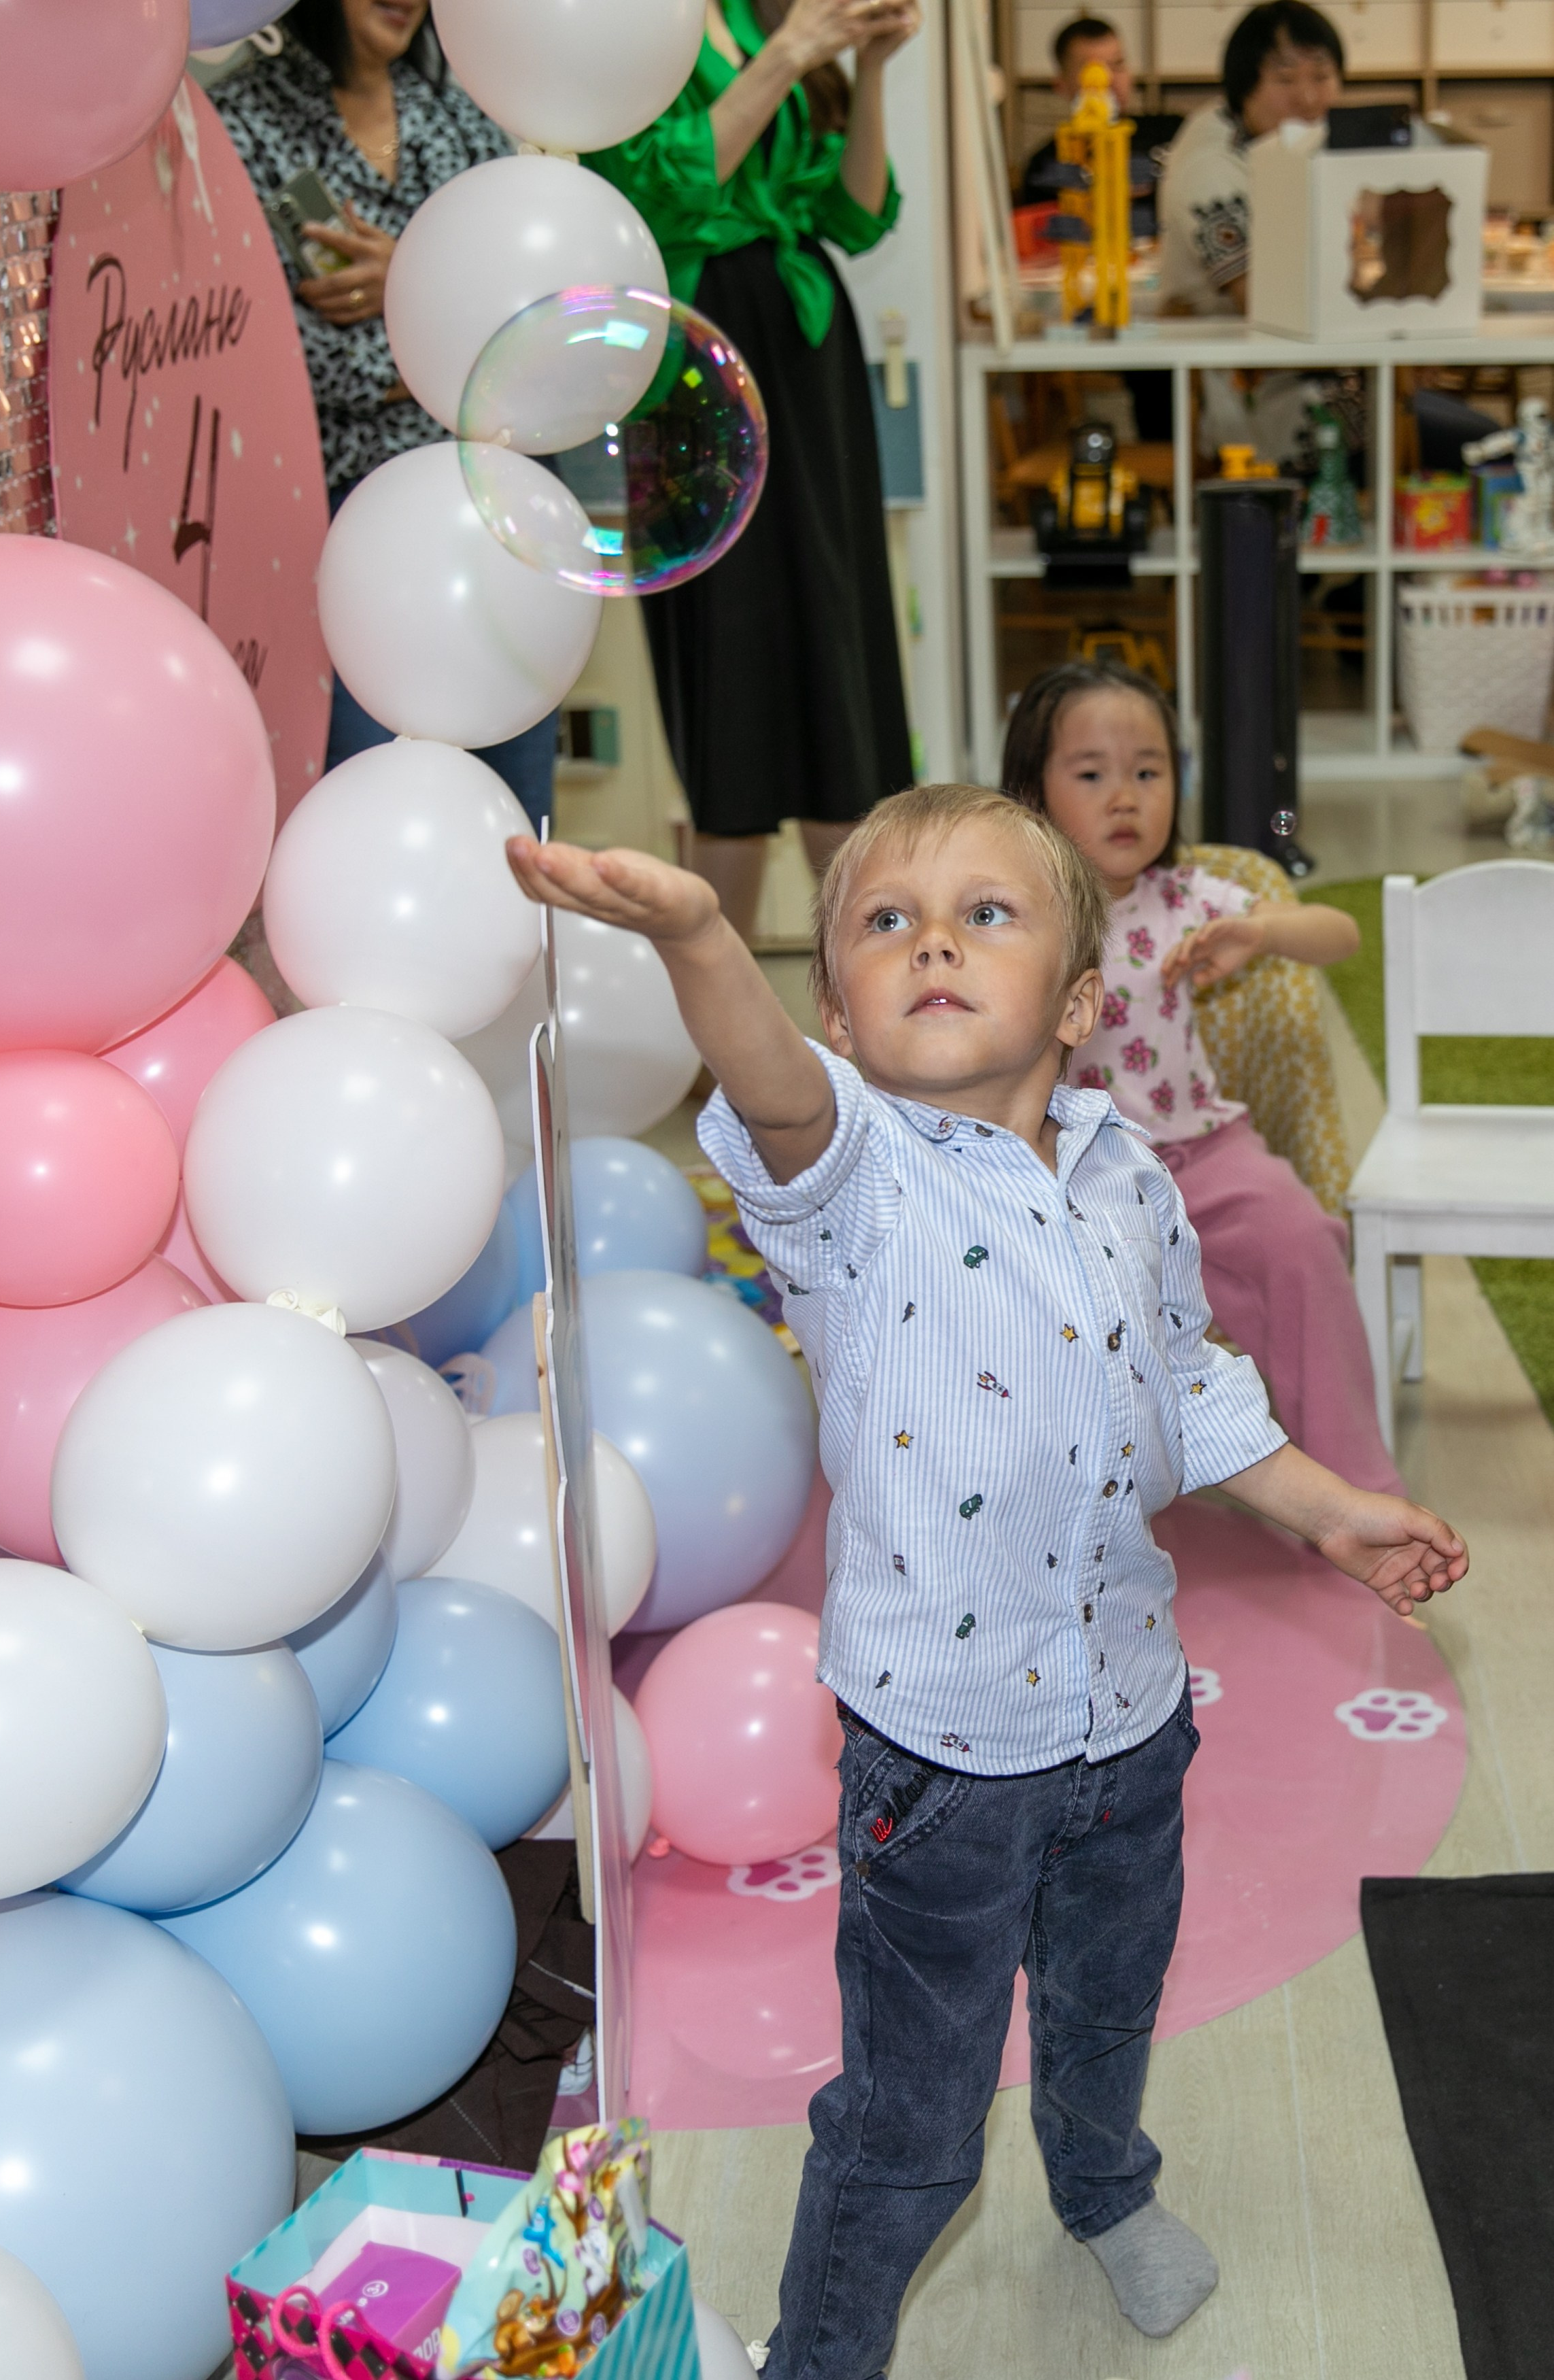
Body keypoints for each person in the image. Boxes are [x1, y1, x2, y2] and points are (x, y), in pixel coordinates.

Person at [502, 792, 1467, 2372]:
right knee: (912, 2120)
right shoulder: (855, 1178)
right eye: (884, 922)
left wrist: (1330, 1512)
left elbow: (1190, 1379)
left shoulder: (1123, 1173)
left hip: (1130, 1719)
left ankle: (1102, 2188)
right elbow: (769, 1086)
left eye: (984, 915)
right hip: (938, 1760)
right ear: (836, 1015)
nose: (931, 939)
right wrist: (694, 936)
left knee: (1102, 2009)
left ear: (1080, 1006)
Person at [1001, 658, 1404, 1493]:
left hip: (1202, 1155)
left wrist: (1259, 934)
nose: (1124, 796)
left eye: (1148, 771)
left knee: (1300, 1243)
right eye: (1090, 773)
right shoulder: (1011, 912)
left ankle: (1353, 1493)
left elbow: (1339, 933)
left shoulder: (1186, 896)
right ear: (1031, 796)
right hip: (1065, 1171)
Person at [583, 0, 920, 945]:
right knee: (729, 670)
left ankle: (872, 998)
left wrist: (876, 69)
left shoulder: (763, 18)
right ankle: (716, 1018)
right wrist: (795, 49)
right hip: (696, 357)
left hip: (809, 358)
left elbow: (854, 214)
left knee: (837, 655)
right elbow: (666, 196)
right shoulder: (639, 30)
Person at [212, 0, 556, 828]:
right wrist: (454, 324)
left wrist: (405, 279)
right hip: (344, 537)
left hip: (487, 522)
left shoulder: (462, 115)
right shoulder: (245, 123)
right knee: (375, 791)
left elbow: (533, 323)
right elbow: (297, 361)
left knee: (512, 806)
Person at [1158, 0, 1343, 318]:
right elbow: (1266, 303)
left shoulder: (1293, 146)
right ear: (1244, 87)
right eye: (1285, 80)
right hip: (1227, 359)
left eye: (1322, 76)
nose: (1308, 98)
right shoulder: (1210, 165)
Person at [1015, 15, 1181, 239]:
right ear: (1061, 85)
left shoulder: (1175, 131)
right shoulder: (1046, 165)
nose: (1109, 80)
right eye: (1093, 71)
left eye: (1118, 65)